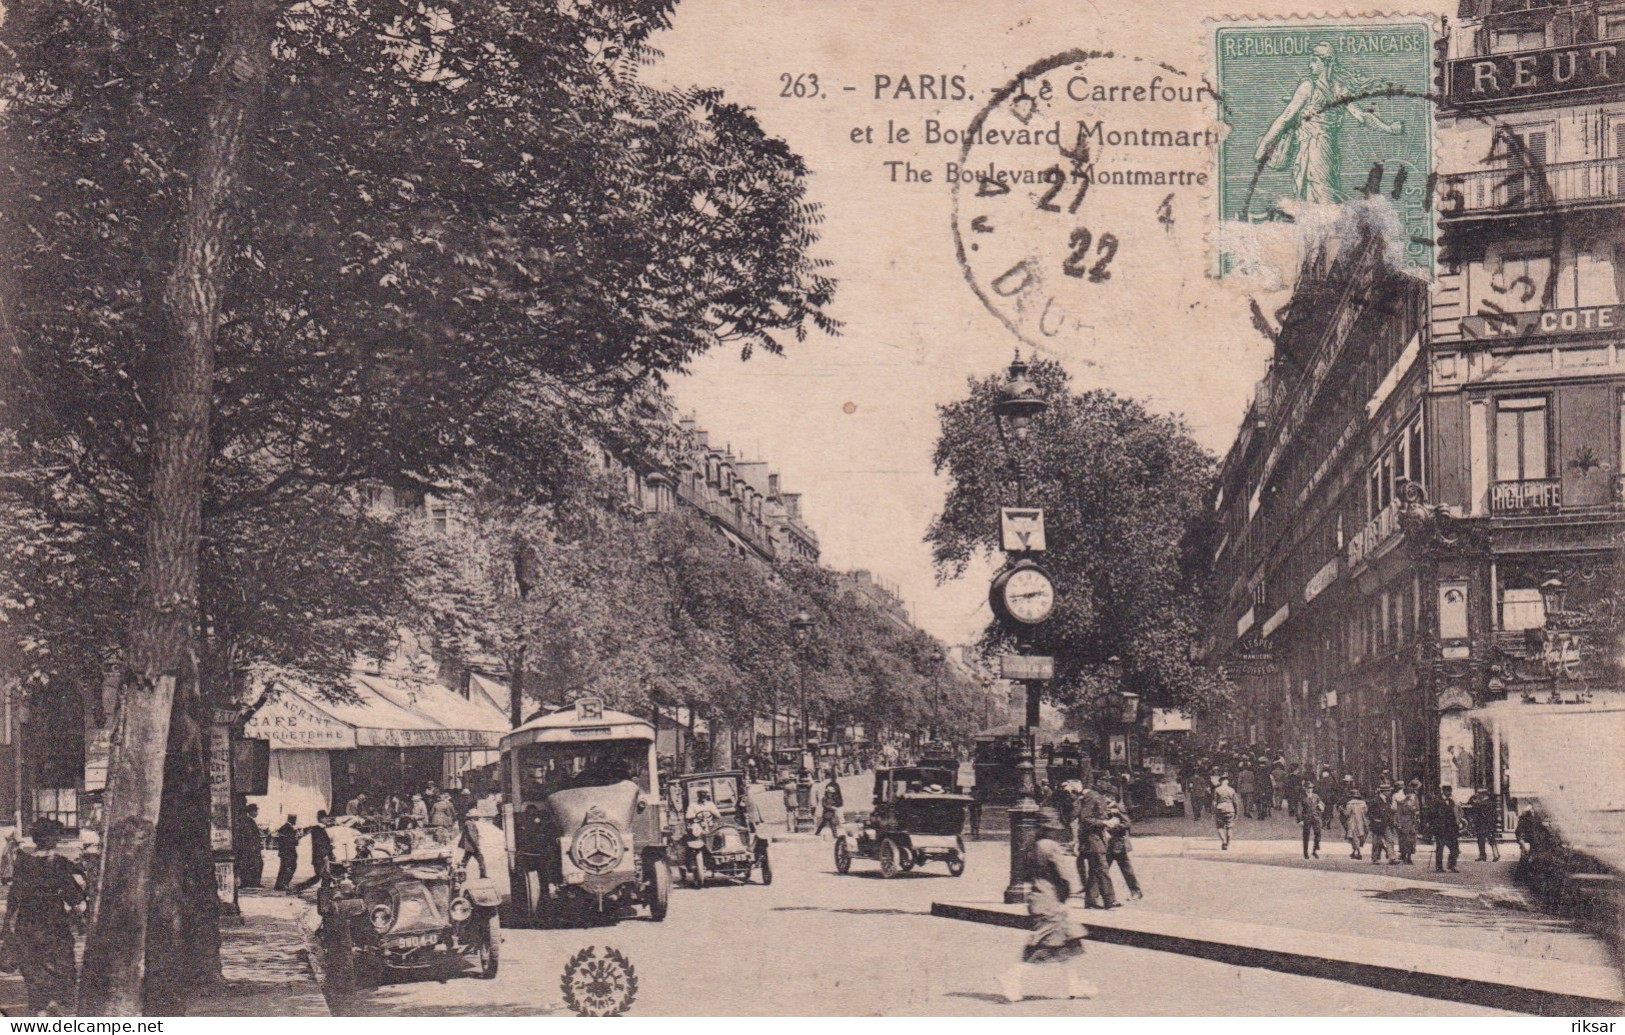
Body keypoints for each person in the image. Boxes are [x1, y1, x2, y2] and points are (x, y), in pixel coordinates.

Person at [1252, 41, 1405, 205]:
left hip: (1315, 152)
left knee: (1319, 197)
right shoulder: (1335, 89)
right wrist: (1388, 129)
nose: (1310, 65)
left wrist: (1263, 146)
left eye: (1314, 60)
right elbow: (1361, 116)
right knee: (1319, 196)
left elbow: (1285, 117)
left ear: (1326, 62)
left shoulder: (1311, 87)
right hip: (1324, 152)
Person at [998, 808, 1096, 1003]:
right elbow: (1064, 876)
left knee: (1066, 945)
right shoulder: (1051, 846)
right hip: (1051, 901)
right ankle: (1011, 976)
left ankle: (1074, 985)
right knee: (1044, 947)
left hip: (1038, 898)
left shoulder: (1032, 846)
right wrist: (1068, 895)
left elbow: (1024, 874)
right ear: (1050, 829)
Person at [1, 821, 85, 1015]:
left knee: (33, 964)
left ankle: (41, 1008)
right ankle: (54, 1005)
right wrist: (79, 910)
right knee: (60, 963)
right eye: (54, 834)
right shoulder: (59, 863)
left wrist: (7, 924)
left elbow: (14, 895)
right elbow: (73, 895)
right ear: (47, 838)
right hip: (53, 920)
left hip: (27, 921)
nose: (57, 838)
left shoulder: (23, 862)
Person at [1075, 781, 1118, 909]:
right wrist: (1104, 823)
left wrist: (1109, 817)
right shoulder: (1093, 797)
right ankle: (1110, 901)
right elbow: (1085, 819)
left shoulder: (1097, 797)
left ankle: (1091, 901)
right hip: (1092, 840)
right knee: (1102, 868)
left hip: (1097, 839)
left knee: (1095, 870)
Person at [1102, 792, 1142, 900]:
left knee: (1125, 869)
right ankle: (1095, 893)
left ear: (1111, 798)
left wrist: (1112, 828)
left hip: (1118, 843)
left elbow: (1127, 823)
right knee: (1102, 868)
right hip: (1109, 843)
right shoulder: (1106, 808)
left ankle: (1136, 892)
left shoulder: (1118, 808)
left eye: (1106, 798)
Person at [1424, 785, 1463, 873]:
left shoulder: (1451, 801)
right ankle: (1439, 867)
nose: (1449, 793)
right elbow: (1431, 814)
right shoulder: (1436, 801)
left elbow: (1454, 814)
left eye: (1450, 791)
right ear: (1444, 791)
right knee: (1440, 848)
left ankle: (1451, 865)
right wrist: (1432, 825)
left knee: (1455, 848)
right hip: (1440, 828)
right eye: (1448, 791)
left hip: (1451, 828)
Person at [294, 811, 334, 892]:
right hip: (320, 857)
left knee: (321, 877)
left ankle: (298, 888)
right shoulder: (318, 829)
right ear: (322, 819)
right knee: (325, 876)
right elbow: (319, 844)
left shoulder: (319, 829)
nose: (328, 820)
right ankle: (324, 893)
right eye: (327, 818)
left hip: (321, 857)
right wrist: (325, 855)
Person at [234, 802, 265, 889]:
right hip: (251, 848)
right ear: (250, 812)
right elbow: (249, 836)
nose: (256, 813)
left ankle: (251, 883)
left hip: (252, 848)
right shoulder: (248, 821)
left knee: (251, 865)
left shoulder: (249, 820)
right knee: (254, 865)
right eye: (255, 811)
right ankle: (252, 883)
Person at [1467, 787, 1501, 862]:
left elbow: (1476, 813)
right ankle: (1495, 854)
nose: (1477, 795)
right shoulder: (1491, 803)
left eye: (1479, 794)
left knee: (1482, 840)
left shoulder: (1481, 804)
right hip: (1489, 825)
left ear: (1483, 794)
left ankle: (1484, 855)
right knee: (1490, 840)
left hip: (1482, 825)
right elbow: (1495, 815)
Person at [1369, 784, 1397, 864]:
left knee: (1390, 840)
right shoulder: (1375, 800)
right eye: (1388, 791)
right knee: (1376, 842)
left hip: (1386, 824)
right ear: (1384, 791)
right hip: (1377, 825)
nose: (1390, 792)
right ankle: (1375, 858)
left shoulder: (1388, 800)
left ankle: (1392, 858)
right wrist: (1374, 819)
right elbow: (1369, 812)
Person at [273, 814, 301, 891]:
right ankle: (282, 885)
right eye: (295, 819)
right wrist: (297, 838)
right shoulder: (287, 828)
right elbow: (291, 841)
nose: (296, 821)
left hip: (286, 852)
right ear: (292, 819)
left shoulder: (285, 827)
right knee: (288, 868)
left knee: (285, 868)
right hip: (288, 852)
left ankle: (281, 885)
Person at [1212, 773, 1239, 851]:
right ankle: (1228, 843)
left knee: (1220, 827)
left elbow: (1214, 801)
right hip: (1230, 809)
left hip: (1220, 809)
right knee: (1229, 827)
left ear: (1221, 781)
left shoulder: (1217, 790)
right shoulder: (1232, 790)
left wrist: (1214, 811)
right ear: (1227, 782)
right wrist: (1236, 812)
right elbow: (1235, 802)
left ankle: (1223, 841)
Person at [1299, 781, 1323, 859]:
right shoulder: (1302, 797)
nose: (1310, 790)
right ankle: (1305, 853)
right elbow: (1299, 809)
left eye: (1311, 788)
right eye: (1308, 788)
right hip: (1306, 818)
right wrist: (1300, 820)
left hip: (1316, 817)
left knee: (1318, 833)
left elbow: (1321, 803)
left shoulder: (1316, 796)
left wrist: (1321, 806)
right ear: (1305, 789)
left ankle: (1314, 851)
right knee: (1306, 836)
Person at [814, 773, 844, 837]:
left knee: (833, 824)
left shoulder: (832, 798)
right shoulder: (824, 798)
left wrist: (836, 806)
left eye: (832, 793)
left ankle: (835, 835)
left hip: (832, 814)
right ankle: (817, 832)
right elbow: (825, 806)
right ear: (827, 792)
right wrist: (832, 807)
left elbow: (835, 802)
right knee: (823, 824)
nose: (831, 794)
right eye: (830, 793)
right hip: (826, 814)